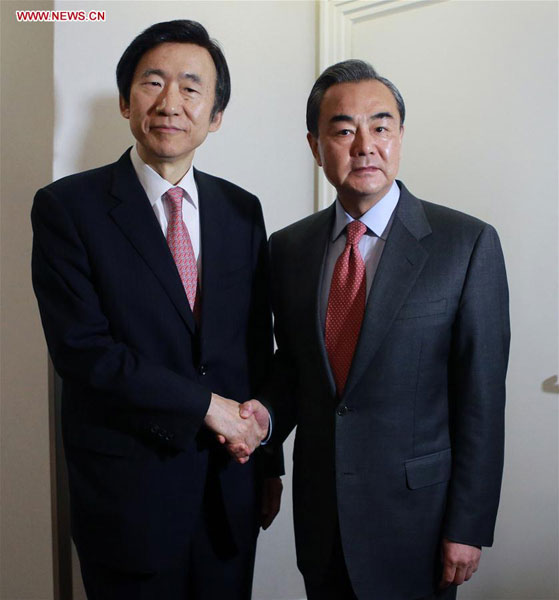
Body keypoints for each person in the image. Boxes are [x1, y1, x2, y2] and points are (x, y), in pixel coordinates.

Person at [239, 60, 510, 599]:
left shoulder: (465, 244)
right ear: (316, 146)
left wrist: (469, 526)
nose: (364, 144)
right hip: (323, 518)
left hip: (420, 523)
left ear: (400, 137)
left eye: (380, 126)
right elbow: (290, 370)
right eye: (343, 130)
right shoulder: (288, 249)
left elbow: (480, 399)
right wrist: (263, 442)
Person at [31, 19, 283, 600]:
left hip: (228, 492)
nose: (172, 102)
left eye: (192, 87)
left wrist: (267, 457)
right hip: (127, 499)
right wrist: (207, 408)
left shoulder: (242, 211)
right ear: (125, 101)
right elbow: (84, 353)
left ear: (215, 115)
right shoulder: (68, 208)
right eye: (153, 82)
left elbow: (255, 347)